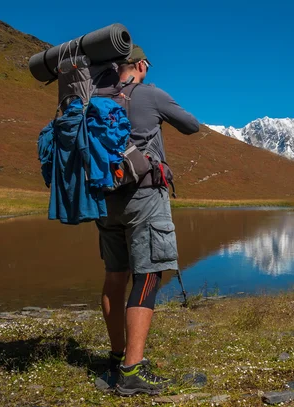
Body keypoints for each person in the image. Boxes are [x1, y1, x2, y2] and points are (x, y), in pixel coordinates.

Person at [95, 45, 200, 396]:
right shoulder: (149, 94)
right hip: (143, 197)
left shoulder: (93, 98)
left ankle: (115, 356)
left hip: (104, 200)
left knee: (114, 277)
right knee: (148, 276)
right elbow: (191, 126)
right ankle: (132, 370)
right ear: (140, 64)